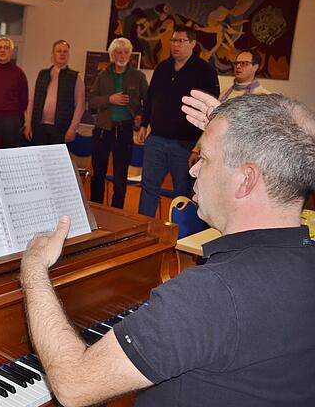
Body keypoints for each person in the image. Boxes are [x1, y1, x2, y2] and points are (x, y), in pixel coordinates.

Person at [20, 92, 315, 406]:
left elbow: (73, 385)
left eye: (204, 158)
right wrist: (240, 130)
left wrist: (34, 270)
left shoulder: (208, 296)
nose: (193, 171)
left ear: (246, 179)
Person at [137, 25, 219, 217]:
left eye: (181, 41)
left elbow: (212, 108)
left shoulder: (205, 70)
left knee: (182, 192)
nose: (176, 45)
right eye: (173, 40)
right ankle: (142, 227)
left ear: (192, 43)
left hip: (185, 143)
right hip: (156, 138)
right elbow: (150, 98)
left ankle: (179, 233)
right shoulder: (162, 68)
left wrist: (200, 145)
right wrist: (143, 124)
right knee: (148, 186)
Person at [88, 37, 149, 208]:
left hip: (124, 132)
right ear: (112, 54)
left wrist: (141, 116)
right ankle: (96, 213)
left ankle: (117, 215)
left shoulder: (138, 76)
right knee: (98, 176)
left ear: (130, 55)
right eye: (117, 52)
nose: (121, 55)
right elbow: (91, 101)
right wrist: (110, 99)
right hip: (102, 131)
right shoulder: (103, 76)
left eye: (125, 52)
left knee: (120, 178)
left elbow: (148, 101)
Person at [188, 49, 270, 167]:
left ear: (255, 67)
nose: (238, 67)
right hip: (216, 153)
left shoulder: (264, 96)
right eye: (237, 63)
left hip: (242, 159)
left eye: (244, 64)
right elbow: (211, 124)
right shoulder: (224, 94)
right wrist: (197, 149)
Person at [25, 40, 84, 145]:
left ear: (68, 55)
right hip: (39, 127)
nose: (62, 54)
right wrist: (28, 124)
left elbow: (80, 105)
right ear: (52, 55)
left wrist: (72, 128)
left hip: (61, 129)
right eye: (59, 51)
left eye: (65, 51)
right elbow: (32, 101)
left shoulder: (75, 77)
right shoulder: (43, 74)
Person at [0, 37, 28, 149]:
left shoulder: (19, 73)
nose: (2, 50)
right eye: (0, 47)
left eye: (6, 48)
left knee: (9, 153)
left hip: (11, 119)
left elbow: (23, 99)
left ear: (12, 51)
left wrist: (19, 119)